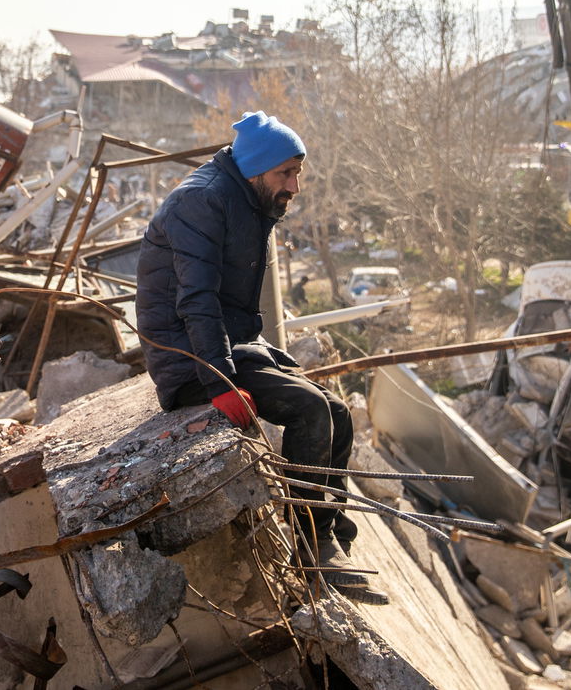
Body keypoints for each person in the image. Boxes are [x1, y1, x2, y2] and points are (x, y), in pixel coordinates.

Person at [135, 111, 385, 602]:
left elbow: (230, 308)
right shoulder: (201, 201)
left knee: (334, 409)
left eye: (297, 172)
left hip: (225, 340)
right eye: (285, 173)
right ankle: (312, 551)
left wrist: (261, 353)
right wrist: (221, 383)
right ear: (256, 170)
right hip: (188, 359)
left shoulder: (248, 197)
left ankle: (327, 526)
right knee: (309, 410)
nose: (295, 184)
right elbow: (197, 302)